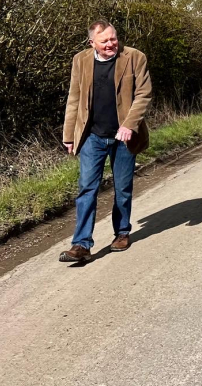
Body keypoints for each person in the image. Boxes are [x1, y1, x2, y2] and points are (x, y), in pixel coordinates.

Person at [59, 20, 152, 262]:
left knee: (122, 189)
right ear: (92, 43)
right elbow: (74, 98)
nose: (111, 44)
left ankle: (121, 232)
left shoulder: (135, 57)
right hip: (92, 136)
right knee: (86, 188)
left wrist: (129, 125)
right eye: (105, 41)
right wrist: (69, 135)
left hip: (124, 137)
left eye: (113, 38)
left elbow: (143, 94)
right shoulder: (81, 60)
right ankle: (81, 244)